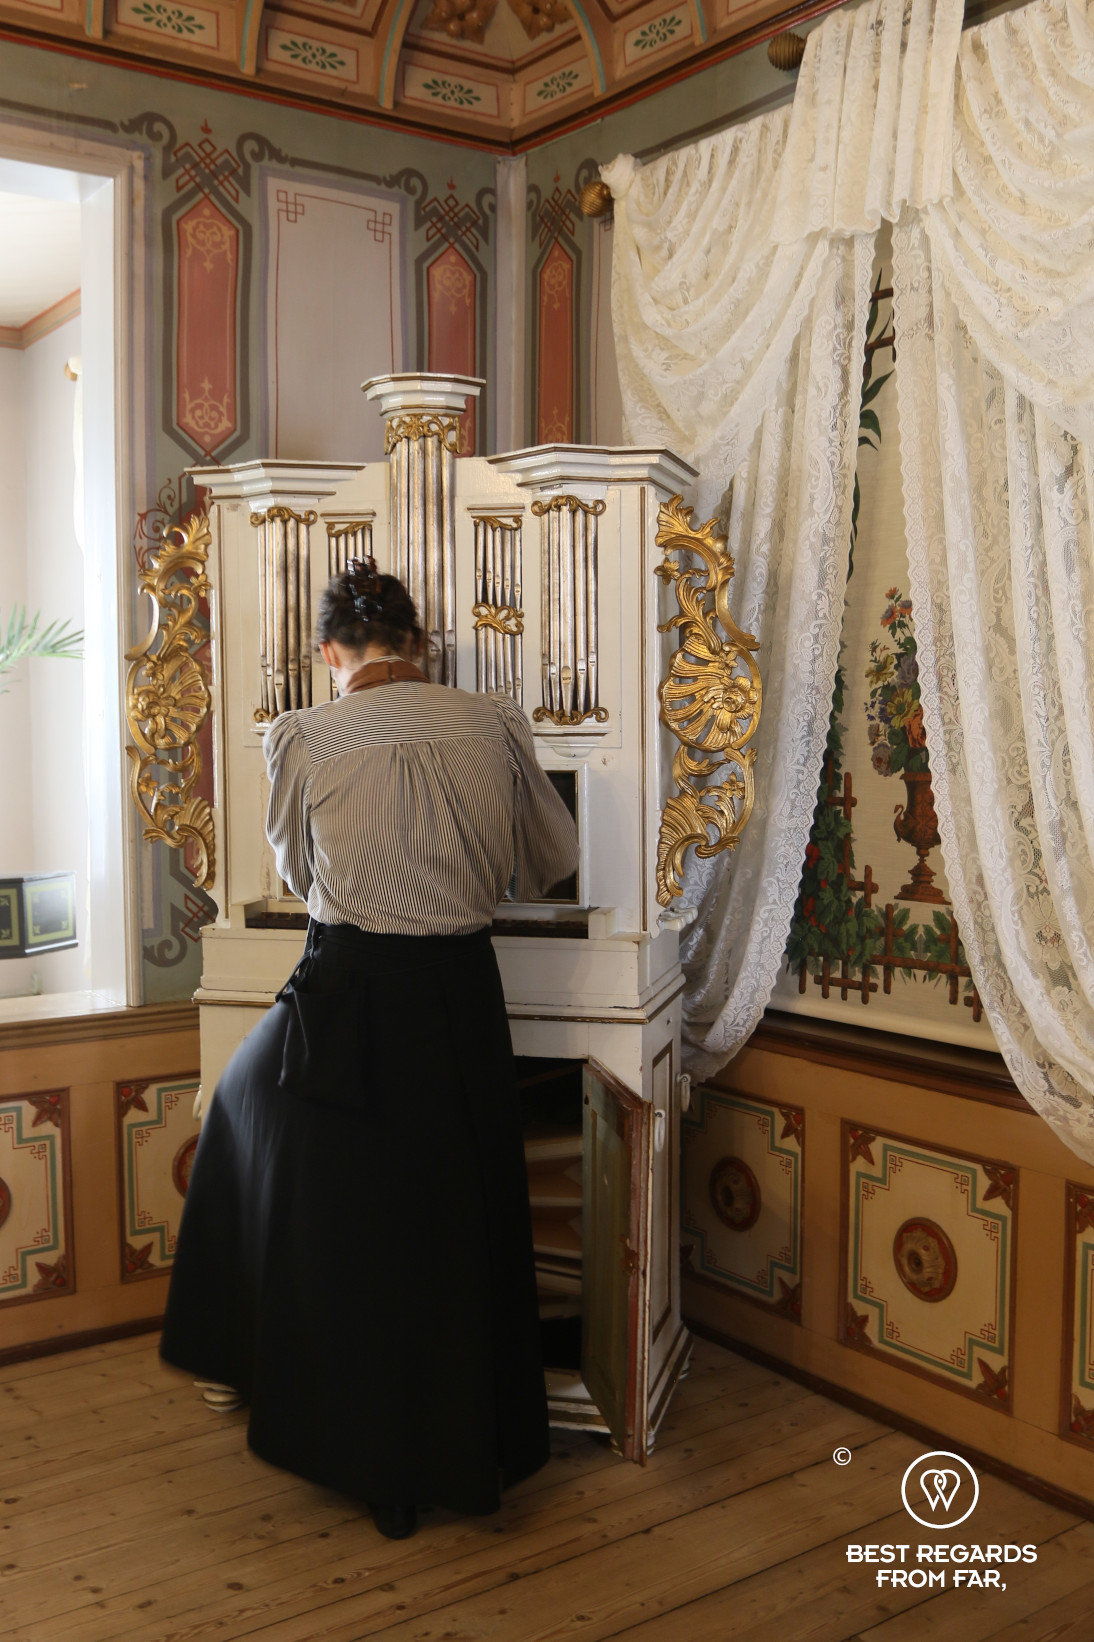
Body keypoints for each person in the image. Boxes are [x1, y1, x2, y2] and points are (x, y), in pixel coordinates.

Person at [160, 559, 579, 1542]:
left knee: (283, 1156)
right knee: (452, 1216)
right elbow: (546, 861)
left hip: (350, 992)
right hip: (462, 995)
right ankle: (477, 1448)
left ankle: (271, 1378)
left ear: (327, 656)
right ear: (418, 646)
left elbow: (298, 872)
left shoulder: (299, 733)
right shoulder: (496, 721)